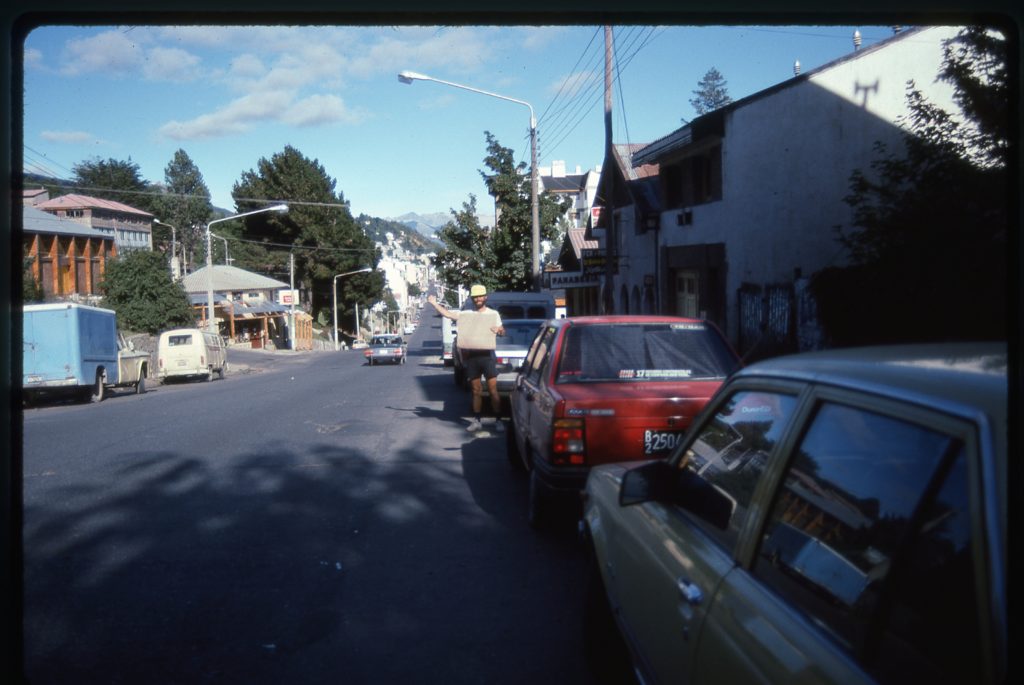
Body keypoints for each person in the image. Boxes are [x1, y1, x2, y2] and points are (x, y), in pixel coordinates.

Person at [428, 285, 506, 433]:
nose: (478, 299)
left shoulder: (493, 314)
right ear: (472, 299)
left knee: (493, 390)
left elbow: (502, 331)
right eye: (475, 297)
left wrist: (500, 330)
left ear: (485, 297)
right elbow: (448, 314)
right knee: (476, 390)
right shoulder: (466, 314)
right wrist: (433, 303)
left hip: (488, 356)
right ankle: (477, 421)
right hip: (472, 358)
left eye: (480, 296)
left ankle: (499, 420)